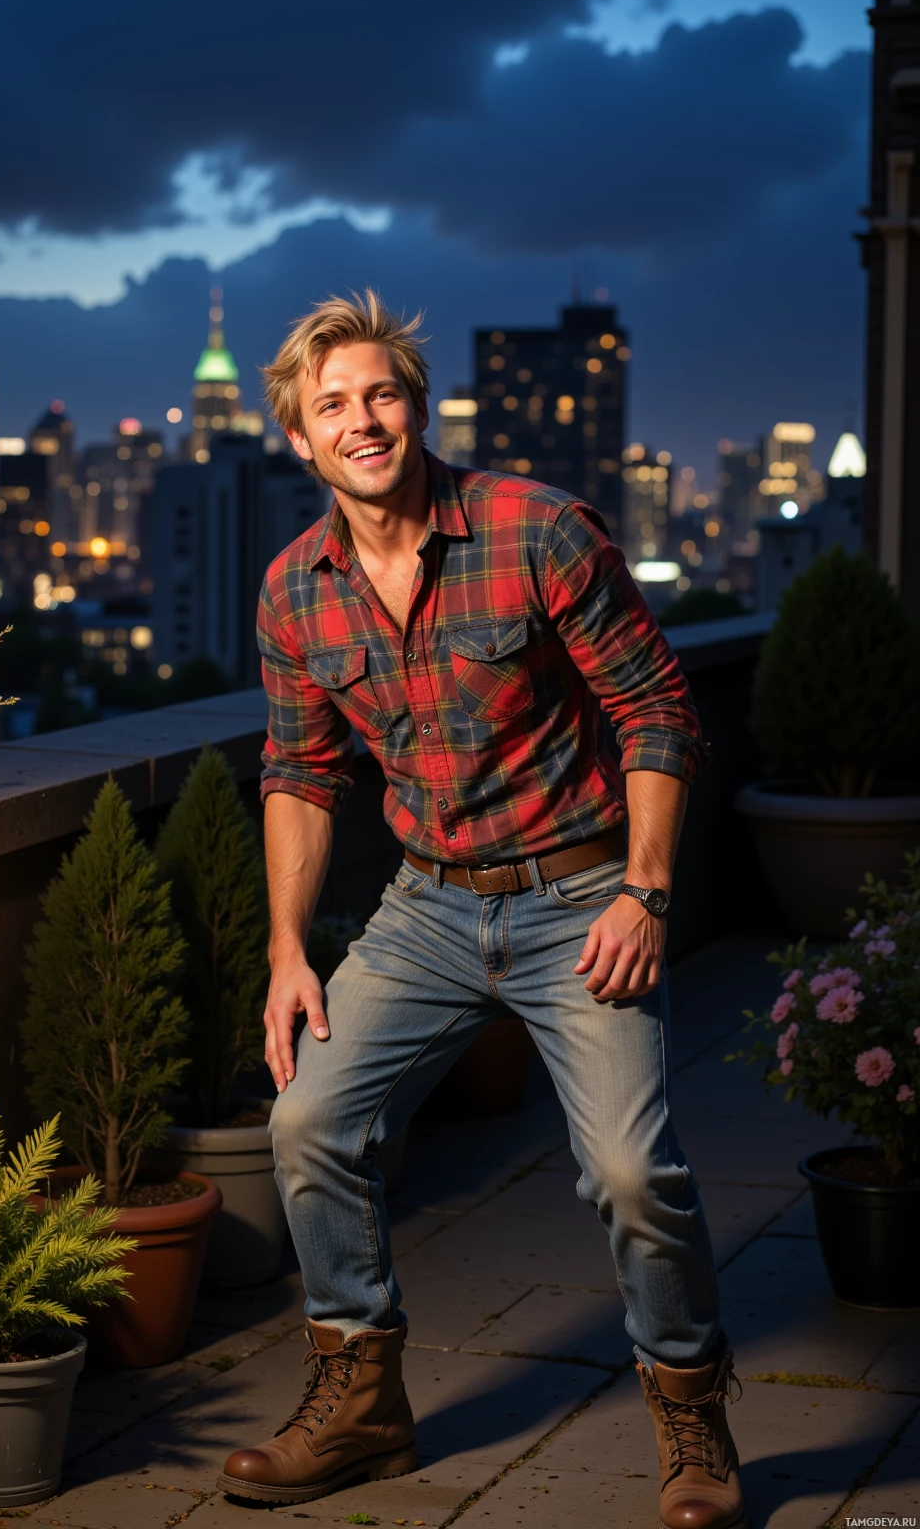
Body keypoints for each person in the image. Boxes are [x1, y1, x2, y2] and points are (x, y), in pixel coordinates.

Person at [217, 291, 745, 1529]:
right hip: (423, 911)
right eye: (332, 405)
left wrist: (644, 890)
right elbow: (298, 775)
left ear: (417, 403)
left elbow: (658, 711)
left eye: (381, 393)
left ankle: (689, 1411)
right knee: (308, 1121)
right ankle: (360, 1401)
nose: (362, 420)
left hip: (580, 894)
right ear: (298, 438)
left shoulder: (536, 530)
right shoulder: (295, 591)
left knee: (628, 1169)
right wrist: (290, 951)